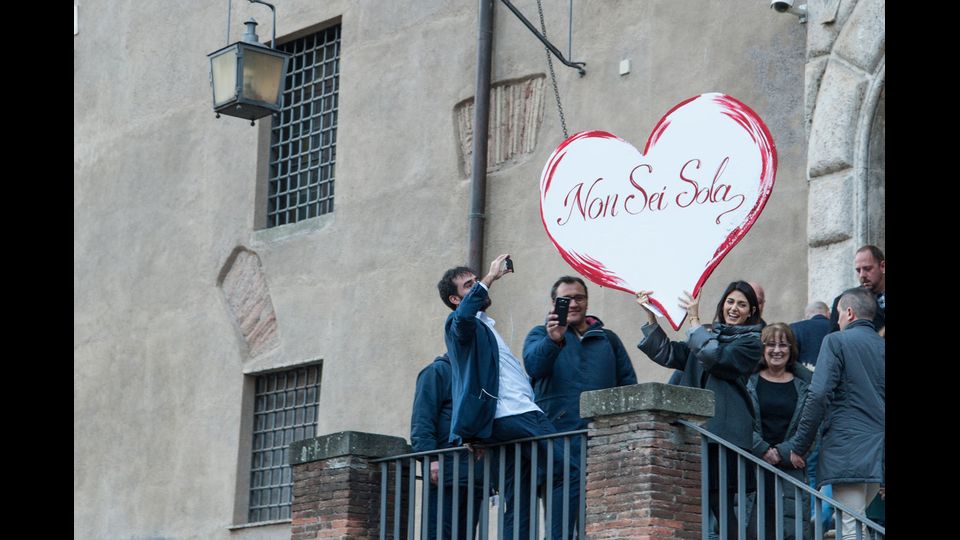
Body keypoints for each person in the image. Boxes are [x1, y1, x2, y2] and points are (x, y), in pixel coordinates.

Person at [438, 255, 578, 539]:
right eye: (469, 285)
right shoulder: (459, 323)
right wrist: (489, 278)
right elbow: (464, 317)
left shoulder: (484, 327)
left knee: (519, 494)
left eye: (476, 281)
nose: (477, 285)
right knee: (569, 472)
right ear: (455, 299)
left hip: (503, 421)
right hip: (517, 414)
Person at [635, 281, 763, 539]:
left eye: (741, 304)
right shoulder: (704, 335)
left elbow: (715, 358)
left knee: (720, 503)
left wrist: (694, 319)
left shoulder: (751, 343)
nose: (734, 308)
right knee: (693, 501)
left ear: (751, 311)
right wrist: (651, 318)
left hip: (725, 436)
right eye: (730, 301)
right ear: (722, 304)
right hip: (698, 433)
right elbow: (669, 353)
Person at [522, 276, 638, 525]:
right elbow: (534, 367)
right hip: (558, 446)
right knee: (561, 525)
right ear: (554, 303)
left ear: (587, 301)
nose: (573, 303)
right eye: (566, 299)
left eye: (579, 297)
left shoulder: (608, 339)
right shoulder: (540, 334)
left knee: (603, 524)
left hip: (603, 444)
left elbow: (628, 388)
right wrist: (553, 340)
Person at [780, 288, 885, 540]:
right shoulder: (882, 347)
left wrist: (800, 445)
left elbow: (817, 395)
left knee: (850, 525)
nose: (836, 321)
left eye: (837, 314)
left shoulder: (836, 341)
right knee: (858, 521)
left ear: (849, 312)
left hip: (847, 447)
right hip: (877, 451)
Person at [746, 323, 811, 540]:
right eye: (771, 344)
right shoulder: (748, 383)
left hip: (790, 467)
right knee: (752, 531)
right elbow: (740, 421)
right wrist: (762, 448)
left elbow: (812, 426)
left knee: (789, 533)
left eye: (783, 345)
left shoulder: (803, 387)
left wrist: (783, 452)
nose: (777, 350)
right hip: (753, 465)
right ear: (762, 349)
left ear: (791, 349)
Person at [410, 353, 484, 540]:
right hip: (445, 472)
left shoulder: (477, 379)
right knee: (439, 534)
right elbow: (422, 420)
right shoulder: (436, 372)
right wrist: (431, 458)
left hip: (473, 477)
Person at [829, 245, 885, 332]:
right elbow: (835, 339)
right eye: (858, 270)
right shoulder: (843, 300)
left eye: (867, 269)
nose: (862, 275)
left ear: (882, 266)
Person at [790, 301, 832, 370]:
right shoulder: (839, 327)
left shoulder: (794, 328)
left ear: (807, 316)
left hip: (803, 376)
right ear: (828, 314)